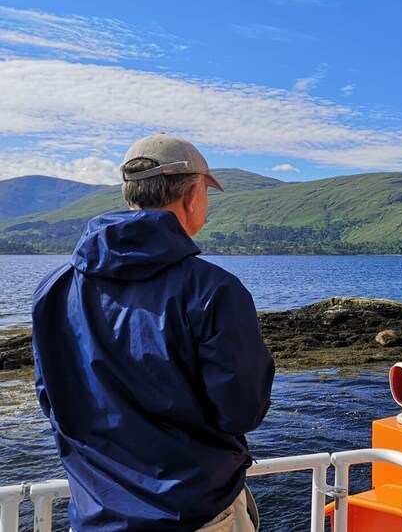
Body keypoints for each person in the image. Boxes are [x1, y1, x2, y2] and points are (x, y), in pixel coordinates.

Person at [32, 133, 275, 531]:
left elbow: (52, 400)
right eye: (206, 195)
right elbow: (242, 410)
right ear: (193, 195)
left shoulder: (54, 288)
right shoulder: (214, 290)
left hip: (95, 516)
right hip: (195, 515)